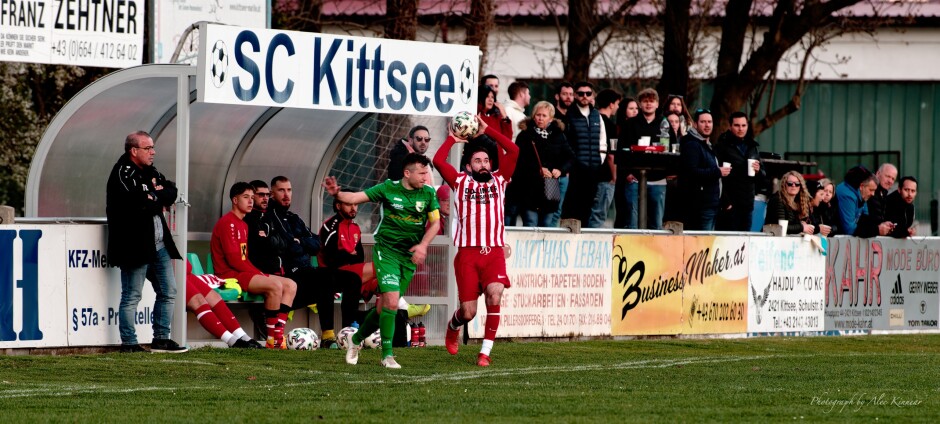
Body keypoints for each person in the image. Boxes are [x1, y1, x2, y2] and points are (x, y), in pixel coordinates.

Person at [323, 153, 441, 369]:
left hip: (408, 257)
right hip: (386, 252)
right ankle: (387, 355)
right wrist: (338, 194)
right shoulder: (388, 188)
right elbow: (355, 198)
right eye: (422, 173)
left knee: (382, 309)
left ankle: (356, 340)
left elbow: (435, 223)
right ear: (408, 173)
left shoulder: (428, 194)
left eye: (427, 172)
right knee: (393, 302)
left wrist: (423, 245)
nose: (426, 177)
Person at [433, 115, 519, 367]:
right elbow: (438, 160)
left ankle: (485, 352)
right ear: (468, 166)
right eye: (477, 160)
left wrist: (487, 130)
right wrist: (452, 138)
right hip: (468, 255)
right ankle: (453, 325)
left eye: (486, 161)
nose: (483, 164)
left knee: (495, 294)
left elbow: (514, 149)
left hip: (493, 252)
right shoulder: (459, 182)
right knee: (468, 312)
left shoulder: (500, 180)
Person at [246, 176, 363, 348]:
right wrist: (298, 243)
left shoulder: (294, 218)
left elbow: (316, 245)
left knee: (352, 279)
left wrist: (298, 241)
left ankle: (348, 331)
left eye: (289, 190)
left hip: (306, 269)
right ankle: (328, 335)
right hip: (290, 272)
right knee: (326, 279)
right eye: (281, 190)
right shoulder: (269, 217)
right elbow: (282, 245)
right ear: (272, 194)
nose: (286, 195)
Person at [106, 130, 187, 353]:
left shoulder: (151, 171)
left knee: (169, 290)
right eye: (148, 148)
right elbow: (138, 203)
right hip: (135, 245)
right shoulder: (123, 172)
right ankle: (129, 343)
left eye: (153, 147)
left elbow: (171, 191)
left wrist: (155, 196)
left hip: (159, 245)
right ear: (134, 151)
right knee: (132, 295)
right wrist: (154, 198)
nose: (153, 152)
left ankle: (161, 338)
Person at [211, 182, 298, 349]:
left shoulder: (243, 224)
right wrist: (259, 274)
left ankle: (279, 336)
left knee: (290, 285)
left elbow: (243, 258)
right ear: (235, 200)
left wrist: (258, 273)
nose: (251, 201)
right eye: (246, 197)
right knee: (274, 285)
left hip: (241, 271)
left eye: (252, 198)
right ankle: (271, 340)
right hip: (228, 275)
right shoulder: (227, 223)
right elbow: (234, 261)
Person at [318, 191, 431, 317]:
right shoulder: (331, 226)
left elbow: (359, 257)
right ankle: (404, 308)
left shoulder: (355, 227)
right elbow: (330, 259)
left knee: (384, 280)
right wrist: (350, 255)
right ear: (338, 206)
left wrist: (349, 255)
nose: (353, 208)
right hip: (332, 275)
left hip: (351, 273)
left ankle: (386, 314)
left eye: (356, 205)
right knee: (382, 267)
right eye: (349, 204)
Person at [505, 101, 574, 227]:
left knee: (547, 225)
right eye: (538, 115)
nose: (540, 118)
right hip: (530, 187)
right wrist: (537, 169)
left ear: (551, 118)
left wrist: (560, 170)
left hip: (550, 185)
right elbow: (518, 161)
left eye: (544, 116)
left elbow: (570, 157)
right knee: (530, 223)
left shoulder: (558, 135)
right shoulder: (525, 135)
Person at [561, 81, 610, 228]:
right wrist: (569, 166)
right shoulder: (569, 115)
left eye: (588, 93)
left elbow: (603, 140)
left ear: (592, 95)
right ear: (576, 95)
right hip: (575, 169)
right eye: (581, 93)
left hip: (593, 169)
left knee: (588, 205)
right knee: (572, 207)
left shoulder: (597, 115)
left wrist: (599, 160)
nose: (584, 96)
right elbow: (565, 143)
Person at [617, 88, 668, 229]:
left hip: (658, 178)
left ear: (657, 104)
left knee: (656, 222)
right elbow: (620, 151)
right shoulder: (630, 124)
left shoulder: (664, 123)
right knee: (632, 221)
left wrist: (668, 173)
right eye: (645, 101)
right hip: (634, 178)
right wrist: (626, 173)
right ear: (640, 104)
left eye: (652, 101)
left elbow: (671, 150)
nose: (648, 104)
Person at [185, 261, 264, 349]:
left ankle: (243, 337)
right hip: (173, 274)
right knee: (198, 301)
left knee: (215, 297)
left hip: (185, 272)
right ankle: (232, 341)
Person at [678, 109, 728, 230]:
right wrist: (718, 172)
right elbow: (691, 172)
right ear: (695, 124)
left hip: (712, 204)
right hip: (701, 206)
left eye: (709, 122)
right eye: (703, 122)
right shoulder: (692, 145)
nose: (707, 125)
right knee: (702, 243)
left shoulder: (707, 144)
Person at [714, 111, 764, 232]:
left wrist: (758, 171)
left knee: (744, 242)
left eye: (743, 125)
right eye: (737, 125)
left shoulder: (752, 146)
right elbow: (715, 176)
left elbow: (763, 177)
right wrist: (725, 202)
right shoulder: (722, 146)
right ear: (730, 126)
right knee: (728, 243)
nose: (740, 128)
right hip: (730, 204)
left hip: (747, 204)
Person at [589, 88, 622, 228]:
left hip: (591, 172)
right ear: (611, 104)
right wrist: (614, 176)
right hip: (604, 176)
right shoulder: (610, 125)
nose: (618, 107)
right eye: (617, 104)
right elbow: (611, 154)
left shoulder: (591, 120)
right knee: (599, 215)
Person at [835, 165, 875, 236]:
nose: (873, 194)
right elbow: (850, 229)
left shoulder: (862, 195)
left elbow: (866, 219)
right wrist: (877, 230)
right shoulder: (847, 195)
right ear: (861, 186)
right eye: (871, 190)